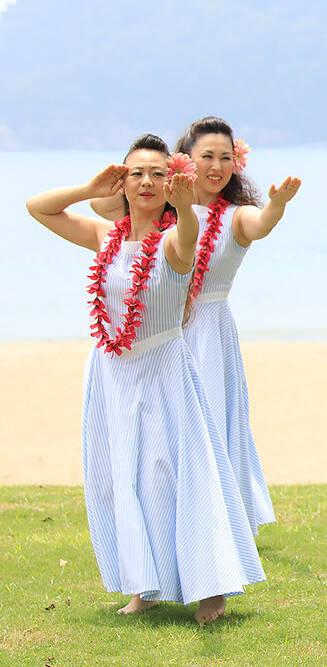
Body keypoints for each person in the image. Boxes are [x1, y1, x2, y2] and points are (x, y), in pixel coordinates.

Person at [26, 134, 265, 624]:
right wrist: (87, 188)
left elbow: (187, 242)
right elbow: (37, 208)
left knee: (176, 475)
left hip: (163, 369)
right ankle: (144, 585)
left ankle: (210, 587)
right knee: (124, 478)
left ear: (172, 181)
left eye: (158, 173)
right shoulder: (103, 237)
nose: (147, 181)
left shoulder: (177, 241)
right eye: (136, 173)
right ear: (124, 182)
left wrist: (185, 209)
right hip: (112, 374)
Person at [175, 116, 301, 533]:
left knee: (212, 420)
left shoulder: (236, 216)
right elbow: (107, 209)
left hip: (210, 330)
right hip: (166, 327)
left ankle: (223, 517)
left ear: (236, 163)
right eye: (206, 156)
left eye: (225, 158)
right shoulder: (162, 208)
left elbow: (261, 224)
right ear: (186, 159)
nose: (216, 166)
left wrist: (277, 204)